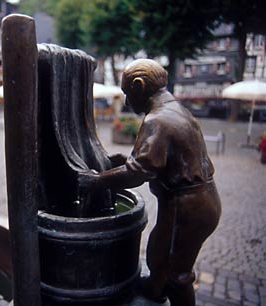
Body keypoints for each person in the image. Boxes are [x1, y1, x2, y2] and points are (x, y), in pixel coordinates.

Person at [78, 59, 222, 306]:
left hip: (189, 207)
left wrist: (95, 181)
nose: (126, 101)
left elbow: (138, 173)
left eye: (127, 93)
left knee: (178, 274)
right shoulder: (177, 110)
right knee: (158, 253)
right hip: (197, 201)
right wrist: (124, 161)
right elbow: (161, 161)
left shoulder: (157, 119)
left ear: (139, 85)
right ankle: (155, 291)